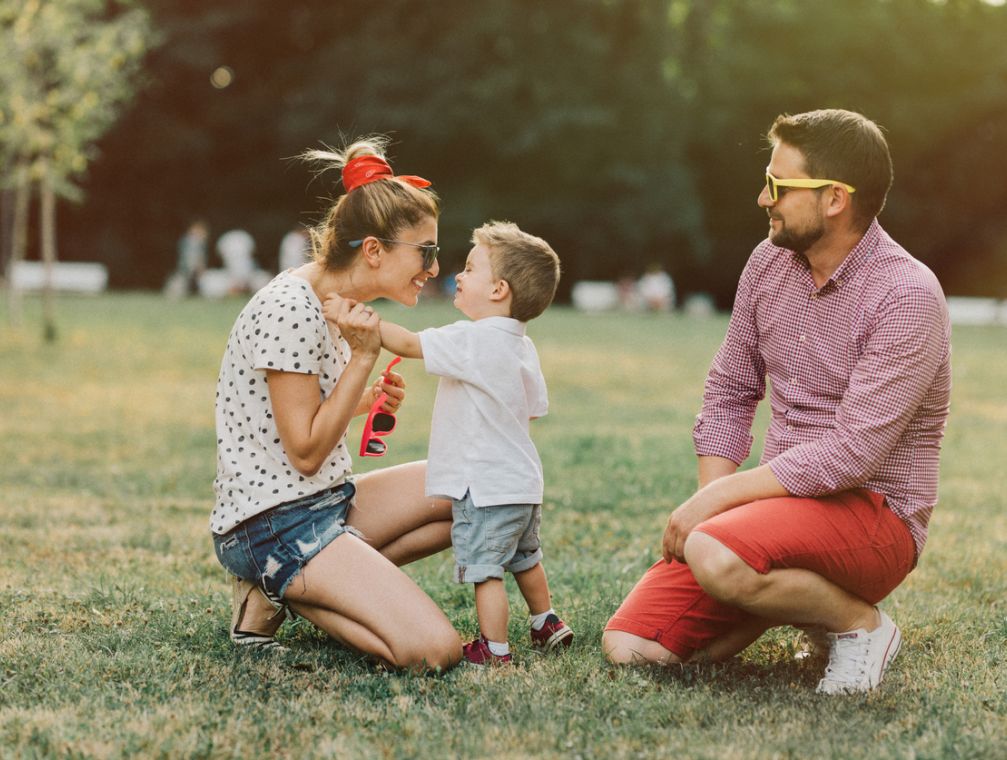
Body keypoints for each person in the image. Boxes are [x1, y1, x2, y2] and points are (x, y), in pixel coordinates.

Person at [603, 109, 951, 695]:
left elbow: (849, 455)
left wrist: (714, 509)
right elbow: (730, 390)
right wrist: (712, 509)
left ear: (836, 198)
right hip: (781, 510)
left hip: (875, 513)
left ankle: (859, 625)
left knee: (714, 552)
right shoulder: (769, 263)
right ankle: (791, 596)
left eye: (779, 185)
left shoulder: (908, 295)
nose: (763, 197)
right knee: (634, 648)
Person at [211, 136, 461, 671]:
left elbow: (297, 416)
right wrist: (363, 360)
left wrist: (363, 396)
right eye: (427, 252)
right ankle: (282, 587)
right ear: (373, 250)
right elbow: (302, 451)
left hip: (326, 499)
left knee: (472, 486)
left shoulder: (336, 302)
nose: (435, 268)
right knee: (434, 651)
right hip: (273, 523)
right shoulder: (291, 308)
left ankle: (294, 590)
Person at [340, 221, 572, 665]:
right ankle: (547, 620)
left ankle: (494, 648)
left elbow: (407, 343)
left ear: (499, 289)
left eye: (469, 268)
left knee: (486, 572)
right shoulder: (523, 346)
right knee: (525, 557)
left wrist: (357, 315)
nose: (458, 276)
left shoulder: (472, 337)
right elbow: (533, 408)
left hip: (483, 485)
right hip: (522, 480)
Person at [165, 219, 208, 297]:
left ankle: (204, 293)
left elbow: (200, 256)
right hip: (187, 263)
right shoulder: (188, 240)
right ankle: (173, 292)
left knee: (196, 279)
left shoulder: (199, 242)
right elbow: (187, 254)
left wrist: (200, 266)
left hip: (193, 263)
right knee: (182, 279)